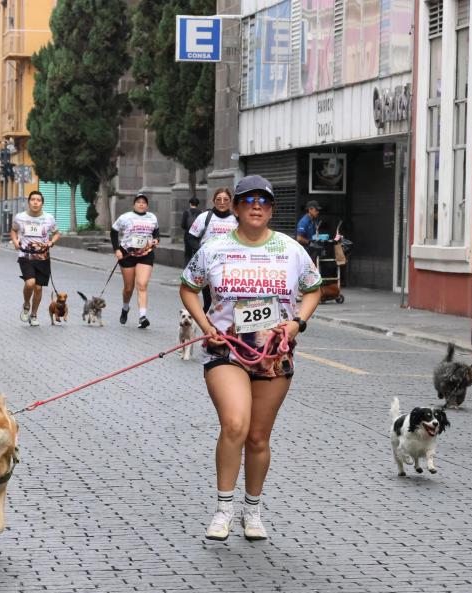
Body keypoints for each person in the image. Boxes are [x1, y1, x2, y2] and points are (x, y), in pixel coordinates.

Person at [180, 175, 323, 541]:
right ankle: (223, 510)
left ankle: (253, 511)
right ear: (237, 208)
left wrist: (297, 323)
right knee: (235, 424)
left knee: (258, 437)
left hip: (274, 353)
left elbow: (313, 289)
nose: (256, 205)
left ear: (271, 209)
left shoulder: (291, 250)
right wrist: (205, 323)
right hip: (225, 348)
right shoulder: (214, 249)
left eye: (264, 200)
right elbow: (189, 287)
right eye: (248, 200)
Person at [10, 190, 60, 326]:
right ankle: (26, 304)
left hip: (43, 257)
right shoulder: (20, 217)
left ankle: (34, 314)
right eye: (33, 199)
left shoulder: (49, 218)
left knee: (38, 288)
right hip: (25, 255)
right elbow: (14, 230)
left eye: (38, 200)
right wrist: (15, 241)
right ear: (29, 202)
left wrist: (51, 242)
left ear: (42, 203)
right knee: (30, 283)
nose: (35, 202)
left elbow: (56, 233)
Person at [111, 192, 159, 328]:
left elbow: (156, 232)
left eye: (144, 202)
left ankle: (142, 317)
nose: (141, 204)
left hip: (146, 254)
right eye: (138, 202)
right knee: (128, 288)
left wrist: (156, 240)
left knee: (142, 285)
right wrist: (117, 250)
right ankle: (125, 308)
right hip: (127, 254)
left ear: (147, 205)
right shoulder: (125, 217)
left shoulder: (152, 218)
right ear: (134, 204)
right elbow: (114, 231)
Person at [186, 187, 237, 312]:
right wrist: (203, 253)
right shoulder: (204, 217)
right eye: (218, 199)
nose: (222, 202)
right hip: (208, 266)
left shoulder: (236, 220)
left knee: (228, 301)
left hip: (230, 267)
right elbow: (191, 238)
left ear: (230, 201)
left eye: (226, 199)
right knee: (209, 302)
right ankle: (207, 328)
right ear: (213, 201)